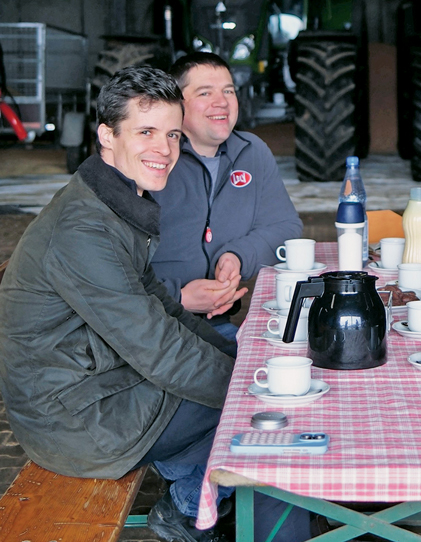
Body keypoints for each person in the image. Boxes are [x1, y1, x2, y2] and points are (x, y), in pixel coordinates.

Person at [0, 66, 308, 542]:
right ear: (107, 135)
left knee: (240, 372)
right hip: (72, 419)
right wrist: (255, 387)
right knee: (264, 413)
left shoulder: (115, 203)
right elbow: (161, 351)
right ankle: (188, 512)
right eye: (145, 132)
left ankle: (198, 491)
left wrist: (245, 363)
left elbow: (166, 309)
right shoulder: (85, 229)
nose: (164, 150)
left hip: (97, 383)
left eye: (171, 134)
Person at [151, 52, 303, 340]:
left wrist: (237, 256)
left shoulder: (251, 152)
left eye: (228, 91)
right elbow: (110, 268)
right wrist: (178, 297)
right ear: (176, 104)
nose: (221, 102)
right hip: (152, 326)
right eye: (205, 92)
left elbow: (286, 228)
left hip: (218, 326)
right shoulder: (153, 159)